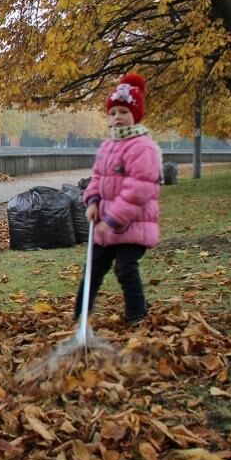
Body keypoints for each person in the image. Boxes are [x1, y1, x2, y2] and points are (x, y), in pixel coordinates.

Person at [75, 73, 161, 325]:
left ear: (136, 114)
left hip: (132, 225)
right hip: (104, 224)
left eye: (124, 111)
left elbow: (138, 190)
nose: (117, 117)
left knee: (125, 268)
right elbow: (97, 178)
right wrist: (92, 201)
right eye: (113, 113)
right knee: (92, 268)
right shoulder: (107, 146)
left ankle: (137, 313)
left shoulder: (143, 147)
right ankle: (79, 316)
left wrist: (112, 220)